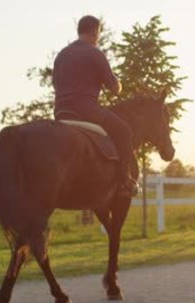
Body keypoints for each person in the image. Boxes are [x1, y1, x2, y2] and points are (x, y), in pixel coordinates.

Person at [52, 15, 136, 196]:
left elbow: (55, 84)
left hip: (60, 111)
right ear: (94, 31)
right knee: (124, 132)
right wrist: (119, 84)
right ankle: (124, 181)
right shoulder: (95, 53)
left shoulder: (62, 55)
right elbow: (114, 88)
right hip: (87, 111)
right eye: (98, 32)